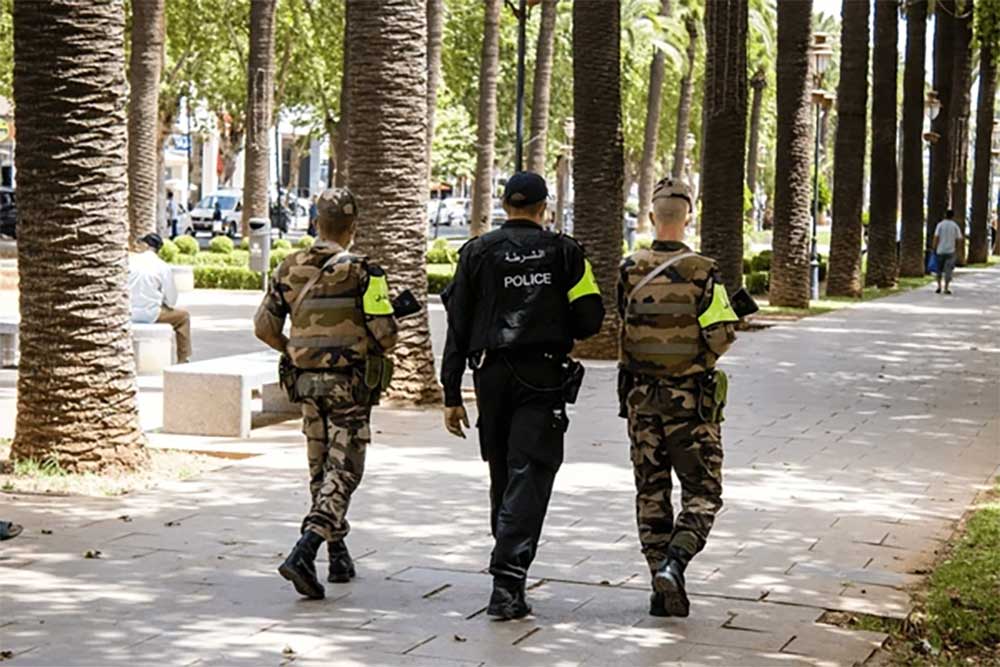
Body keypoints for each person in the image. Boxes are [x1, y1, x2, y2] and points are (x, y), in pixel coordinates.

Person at [441, 171, 604, 620]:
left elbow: (457, 325)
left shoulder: (475, 252)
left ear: (505, 205)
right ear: (542, 208)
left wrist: (451, 392)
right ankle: (507, 581)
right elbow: (591, 316)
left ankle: (508, 576)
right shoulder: (565, 252)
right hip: (542, 374)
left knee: (504, 474)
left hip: (490, 376)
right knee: (529, 473)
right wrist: (552, 323)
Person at [254, 188, 399, 600]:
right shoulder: (366, 271)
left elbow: (264, 328)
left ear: (317, 222)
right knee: (345, 469)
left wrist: (298, 350)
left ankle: (338, 554)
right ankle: (308, 547)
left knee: (320, 467)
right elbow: (385, 336)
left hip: (305, 384)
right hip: (349, 387)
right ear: (352, 228)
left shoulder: (287, 267)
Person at [617, 177, 739, 618]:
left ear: (652, 217)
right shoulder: (703, 270)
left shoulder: (629, 267)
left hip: (641, 402)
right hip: (691, 403)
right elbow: (722, 336)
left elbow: (624, 333)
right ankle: (676, 562)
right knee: (703, 492)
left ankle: (660, 584)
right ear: (689, 216)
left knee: (651, 493)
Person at [128, 233, 192, 363]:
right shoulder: (162, 266)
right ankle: (183, 359)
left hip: (127, 312)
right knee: (183, 317)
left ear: (145, 245)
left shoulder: (129, 261)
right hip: (150, 315)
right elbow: (172, 300)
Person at [933, 209, 963, 295]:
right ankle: (946, 288)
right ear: (953, 216)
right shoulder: (955, 226)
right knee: (948, 271)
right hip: (951, 251)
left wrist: (934, 248)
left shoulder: (940, 225)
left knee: (938, 269)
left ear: (945, 215)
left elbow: (936, 237)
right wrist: (956, 248)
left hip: (940, 250)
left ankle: (938, 287)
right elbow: (959, 239)